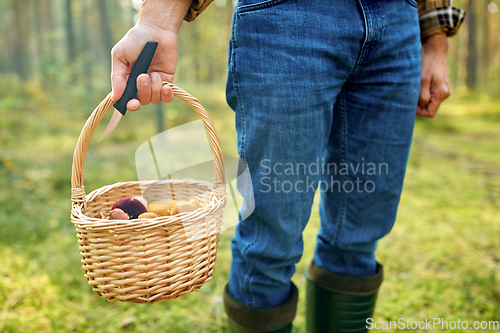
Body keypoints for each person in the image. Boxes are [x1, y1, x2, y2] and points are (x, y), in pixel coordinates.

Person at [111, 0, 465, 331]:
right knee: (270, 245)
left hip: (397, 23)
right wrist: (158, 20)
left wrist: (435, 38)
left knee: (359, 237)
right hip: (287, 18)